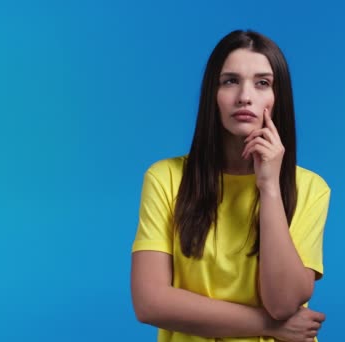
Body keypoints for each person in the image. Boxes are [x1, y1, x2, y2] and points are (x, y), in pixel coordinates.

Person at [131, 30, 331, 342]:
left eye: (262, 83)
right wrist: (269, 327)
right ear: (213, 94)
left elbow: (283, 302)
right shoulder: (166, 178)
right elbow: (150, 303)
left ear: (279, 98)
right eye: (230, 81)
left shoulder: (310, 187)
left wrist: (270, 187)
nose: (245, 97)